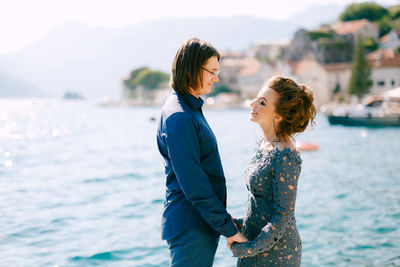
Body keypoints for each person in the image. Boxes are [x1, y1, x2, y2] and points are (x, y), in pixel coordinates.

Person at [156, 37, 248, 267]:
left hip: (199, 222)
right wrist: (228, 229)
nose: (216, 79)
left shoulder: (187, 107)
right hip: (191, 225)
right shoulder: (180, 116)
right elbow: (194, 183)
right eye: (212, 71)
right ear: (192, 69)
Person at [228, 76, 316, 266]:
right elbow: (262, 204)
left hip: (277, 256)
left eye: (262, 102)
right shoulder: (266, 144)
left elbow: (282, 217)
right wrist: (237, 224)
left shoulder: (285, 155)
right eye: (257, 98)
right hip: (256, 244)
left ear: (278, 116)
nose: (253, 104)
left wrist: (247, 249)